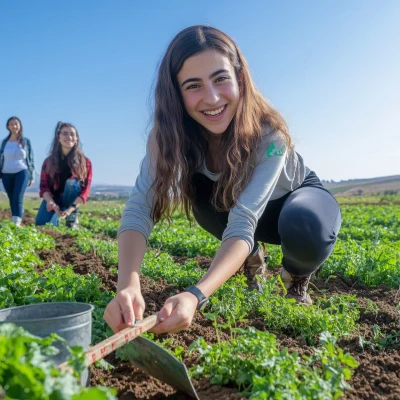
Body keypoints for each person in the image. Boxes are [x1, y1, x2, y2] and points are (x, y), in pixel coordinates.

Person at [103, 26, 341, 335]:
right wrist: (127, 284)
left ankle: (295, 277)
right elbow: (139, 207)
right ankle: (251, 257)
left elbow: (244, 217)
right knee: (201, 192)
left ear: (239, 77)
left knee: (308, 224)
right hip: (236, 204)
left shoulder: (270, 133)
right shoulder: (167, 137)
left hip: (291, 198)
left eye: (220, 79)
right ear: (176, 93)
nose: (212, 98)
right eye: (193, 86)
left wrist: (196, 294)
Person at [36, 122, 92, 229]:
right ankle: (56, 213)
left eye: (72, 134)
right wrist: (51, 203)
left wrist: (70, 209)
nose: (69, 137)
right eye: (65, 134)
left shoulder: (86, 162)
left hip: (71, 200)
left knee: (71, 183)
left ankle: (72, 217)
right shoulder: (48, 162)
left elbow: (85, 191)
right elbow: (44, 187)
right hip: (54, 198)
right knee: (41, 224)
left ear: (76, 139)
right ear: (58, 138)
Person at [0, 117, 35, 226]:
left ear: (20, 126)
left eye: (16, 124)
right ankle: (16, 218)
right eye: (11, 124)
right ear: (8, 126)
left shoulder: (25, 141)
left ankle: (17, 223)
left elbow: (31, 159)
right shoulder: (4, 142)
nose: (14, 126)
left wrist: (32, 176)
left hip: (22, 171)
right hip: (6, 173)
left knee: (17, 196)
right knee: (11, 198)